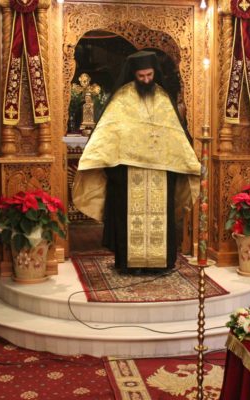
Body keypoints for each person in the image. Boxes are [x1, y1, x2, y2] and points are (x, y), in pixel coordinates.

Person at [72, 51, 200, 274]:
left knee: (161, 218)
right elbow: (108, 132)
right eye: (141, 76)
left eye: (149, 75)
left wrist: (189, 162)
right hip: (129, 174)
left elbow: (175, 134)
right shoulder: (122, 98)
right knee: (128, 219)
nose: (146, 80)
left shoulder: (163, 98)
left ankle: (160, 264)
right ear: (133, 74)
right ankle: (130, 264)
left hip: (160, 173)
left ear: (155, 73)